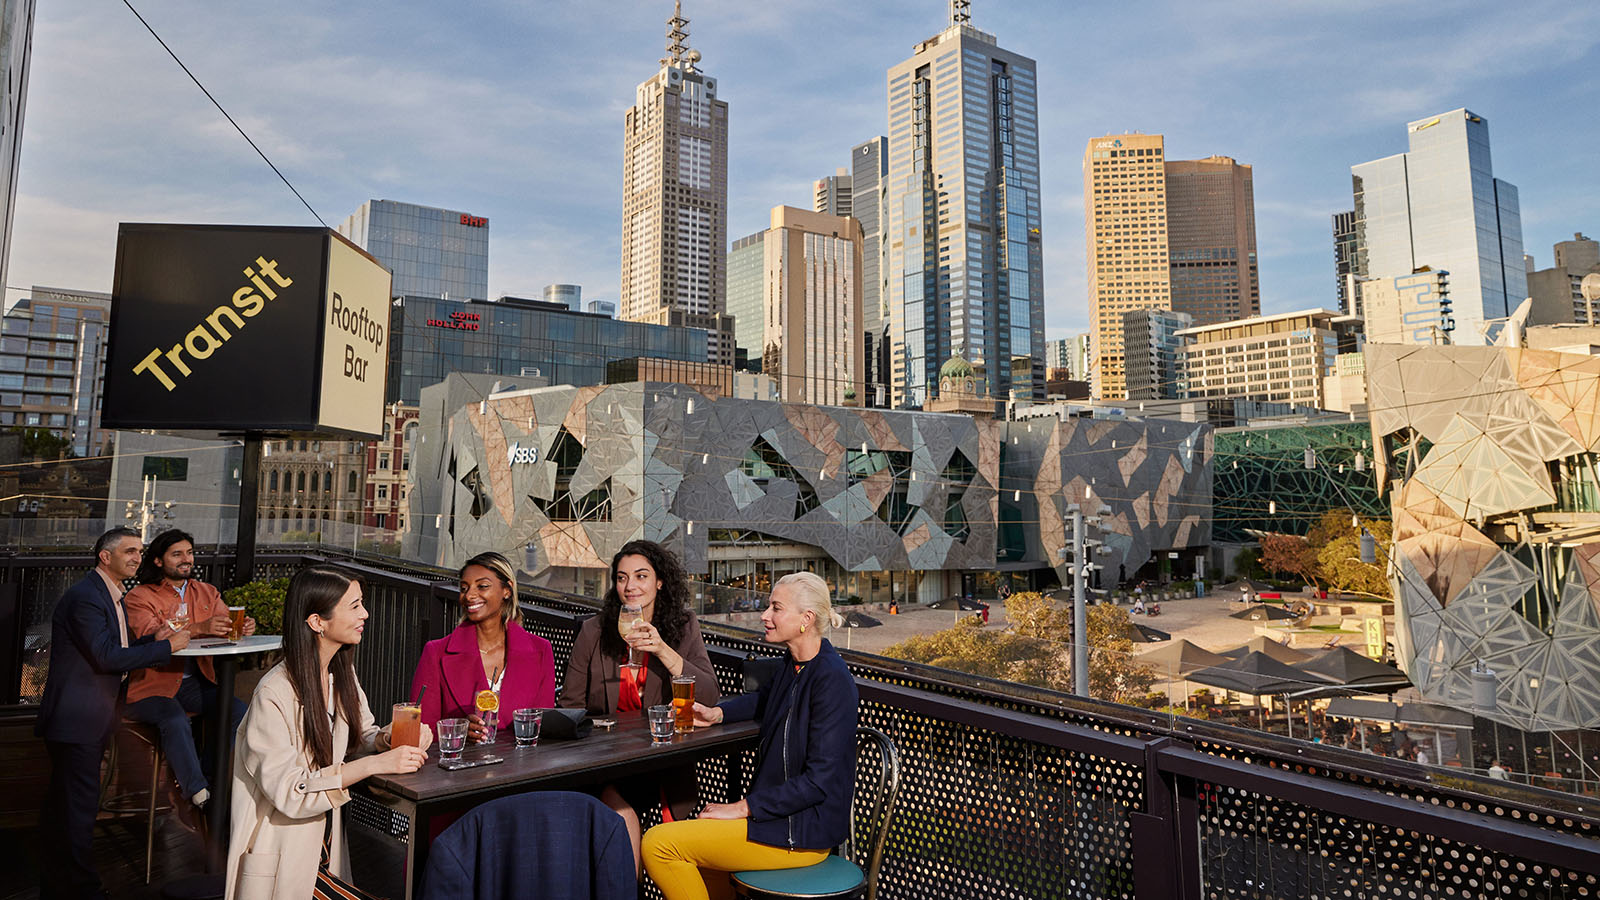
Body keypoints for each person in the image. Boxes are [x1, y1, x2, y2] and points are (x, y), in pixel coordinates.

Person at [642, 572, 859, 900]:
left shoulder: (832, 680)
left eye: (776, 608)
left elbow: (818, 782)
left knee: (659, 844)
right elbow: (765, 698)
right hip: (778, 819)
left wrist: (742, 807)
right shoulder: (795, 663)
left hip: (801, 832)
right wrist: (718, 714)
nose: (764, 615)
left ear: (806, 619)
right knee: (699, 858)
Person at [226, 565, 431, 900]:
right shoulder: (273, 693)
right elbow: (292, 791)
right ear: (316, 622)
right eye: (354, 606)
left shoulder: (340, 673)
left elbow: (362, 736)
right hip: (285, 855)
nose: (365, 613)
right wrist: (375, 765)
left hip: (324, 848)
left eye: (362, 603)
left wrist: (387, 739)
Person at [37, 526, 191, 900]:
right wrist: (166, 648)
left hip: (86, 718)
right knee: (77, 809)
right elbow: (105, 658)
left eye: (139, 551)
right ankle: (83, 889)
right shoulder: (87, 598)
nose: (137, 558)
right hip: (78, 720)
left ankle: (59, 887)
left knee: (67, 808)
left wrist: (149, 641)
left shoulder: (109, 596)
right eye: (129, 551)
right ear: (105, 557)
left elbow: (113, 647)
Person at [560, 539, 720, 876]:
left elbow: (709, 695)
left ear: (660, 581)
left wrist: (663, 650)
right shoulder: (594, 631)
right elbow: (570, 706)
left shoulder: (684, 626)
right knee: (620, 819)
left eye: (641, 576)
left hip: (663, 760)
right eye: (621, 577)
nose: (630, 586)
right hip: (606, 762)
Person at [123, 528, 255, 817]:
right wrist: (200, 627)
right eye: (177, 554)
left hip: (194, 684)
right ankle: (198, 794)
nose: (187, 559)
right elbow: (150, 636)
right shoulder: (139, 596)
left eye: (190, 553)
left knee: (237, 710)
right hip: (150, 688)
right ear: (158, 561)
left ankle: (207, 781)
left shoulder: (206, 591)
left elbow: (221, 623)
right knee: (173, 717)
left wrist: (242, 629)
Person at [411, 551, 555, 742]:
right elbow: (418, 731)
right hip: (458, 769)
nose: (469, 595)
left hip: (521, 767)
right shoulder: (435, 653)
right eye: (464, 588)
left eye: (483, 586)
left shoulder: (541, 651)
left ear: (507, 590)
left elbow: (543, 728)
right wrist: (458, 732)